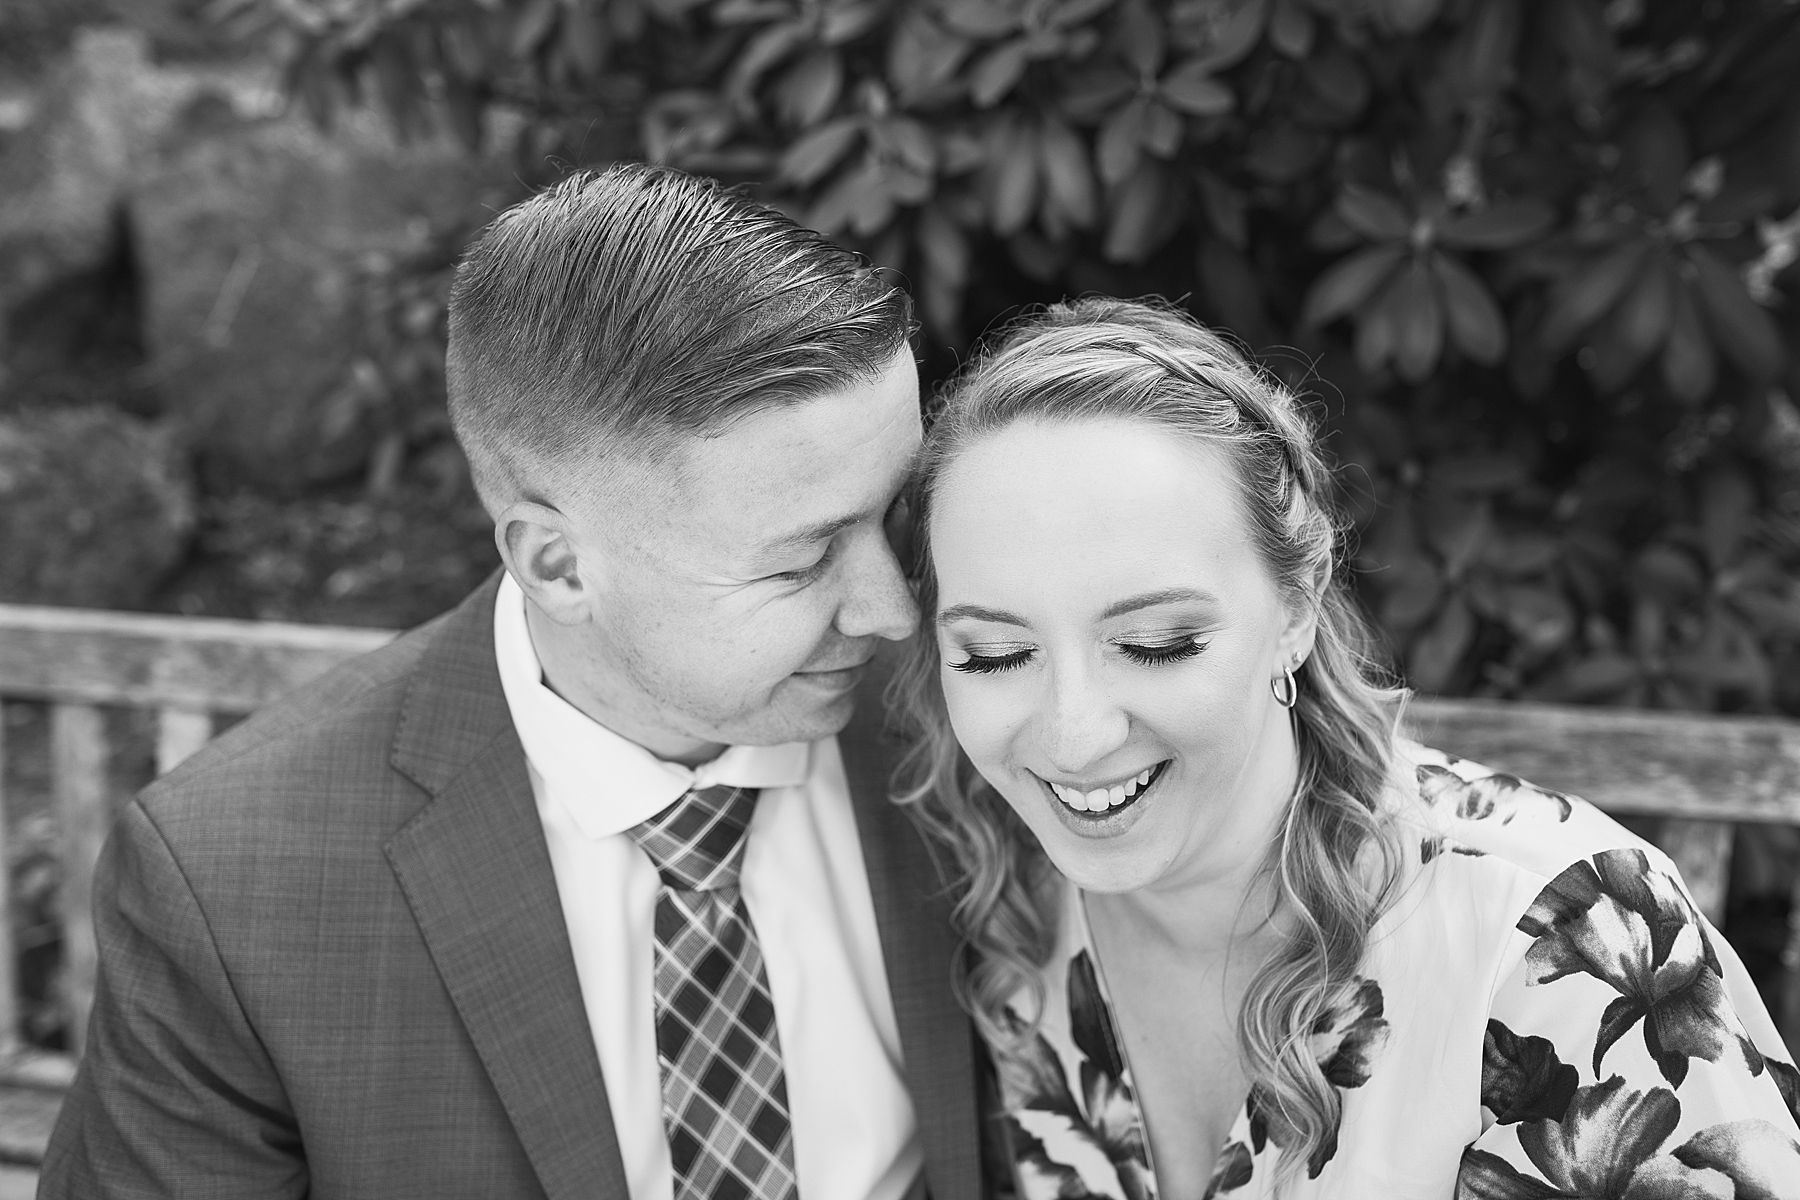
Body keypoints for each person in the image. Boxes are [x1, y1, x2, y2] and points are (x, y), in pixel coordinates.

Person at [42, 165, 985, 1200]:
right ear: (558, 567)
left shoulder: (991, 719)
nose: (895, 610)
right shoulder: (234, 887)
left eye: (894, 512)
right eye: (803, 561)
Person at [890, 297, 1800, 1199]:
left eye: (1157, 643)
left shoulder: (1567, 940)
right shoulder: (991, 889)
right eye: (996, 655)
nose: (1072, 733)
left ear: (1297, 606)